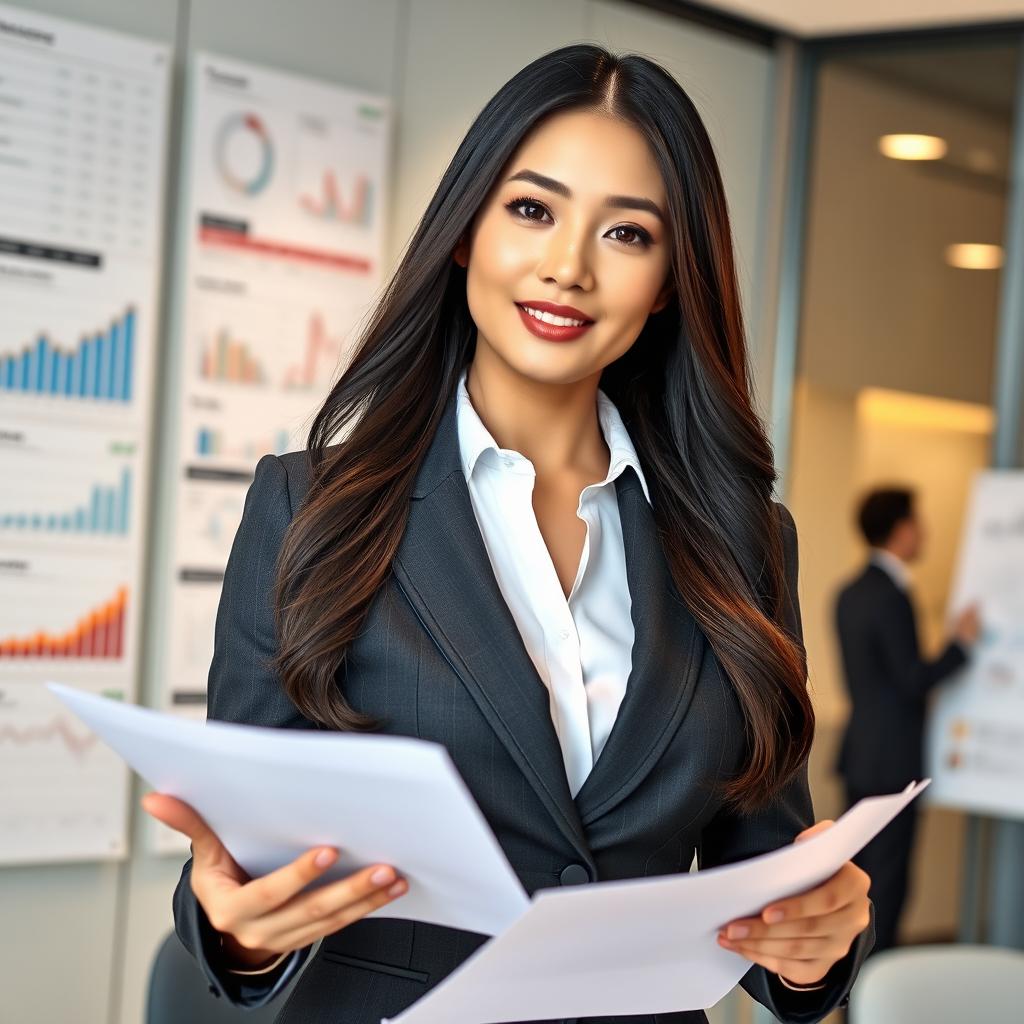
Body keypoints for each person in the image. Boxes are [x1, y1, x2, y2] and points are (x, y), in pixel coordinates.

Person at [143, 44, 874, 1024]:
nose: (566, 267)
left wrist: (814, 943)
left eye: (626, 233)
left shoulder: (742, 542)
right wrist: (232, 924)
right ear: (465, 233)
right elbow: (243, 861)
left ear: (667, 279)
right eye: (531, 210)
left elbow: (765, 877)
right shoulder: (310, 507)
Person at [835, 487, 980, 953]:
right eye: (918, 522)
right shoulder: (892, 595)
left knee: (857, 885)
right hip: (894, 762)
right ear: (901, 530)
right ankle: (877, 1000)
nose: (925, 532)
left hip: (860, 755)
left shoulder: (849, 592)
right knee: (888, 891)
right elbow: (911, 679)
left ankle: (854, 999)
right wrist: (961, 644)